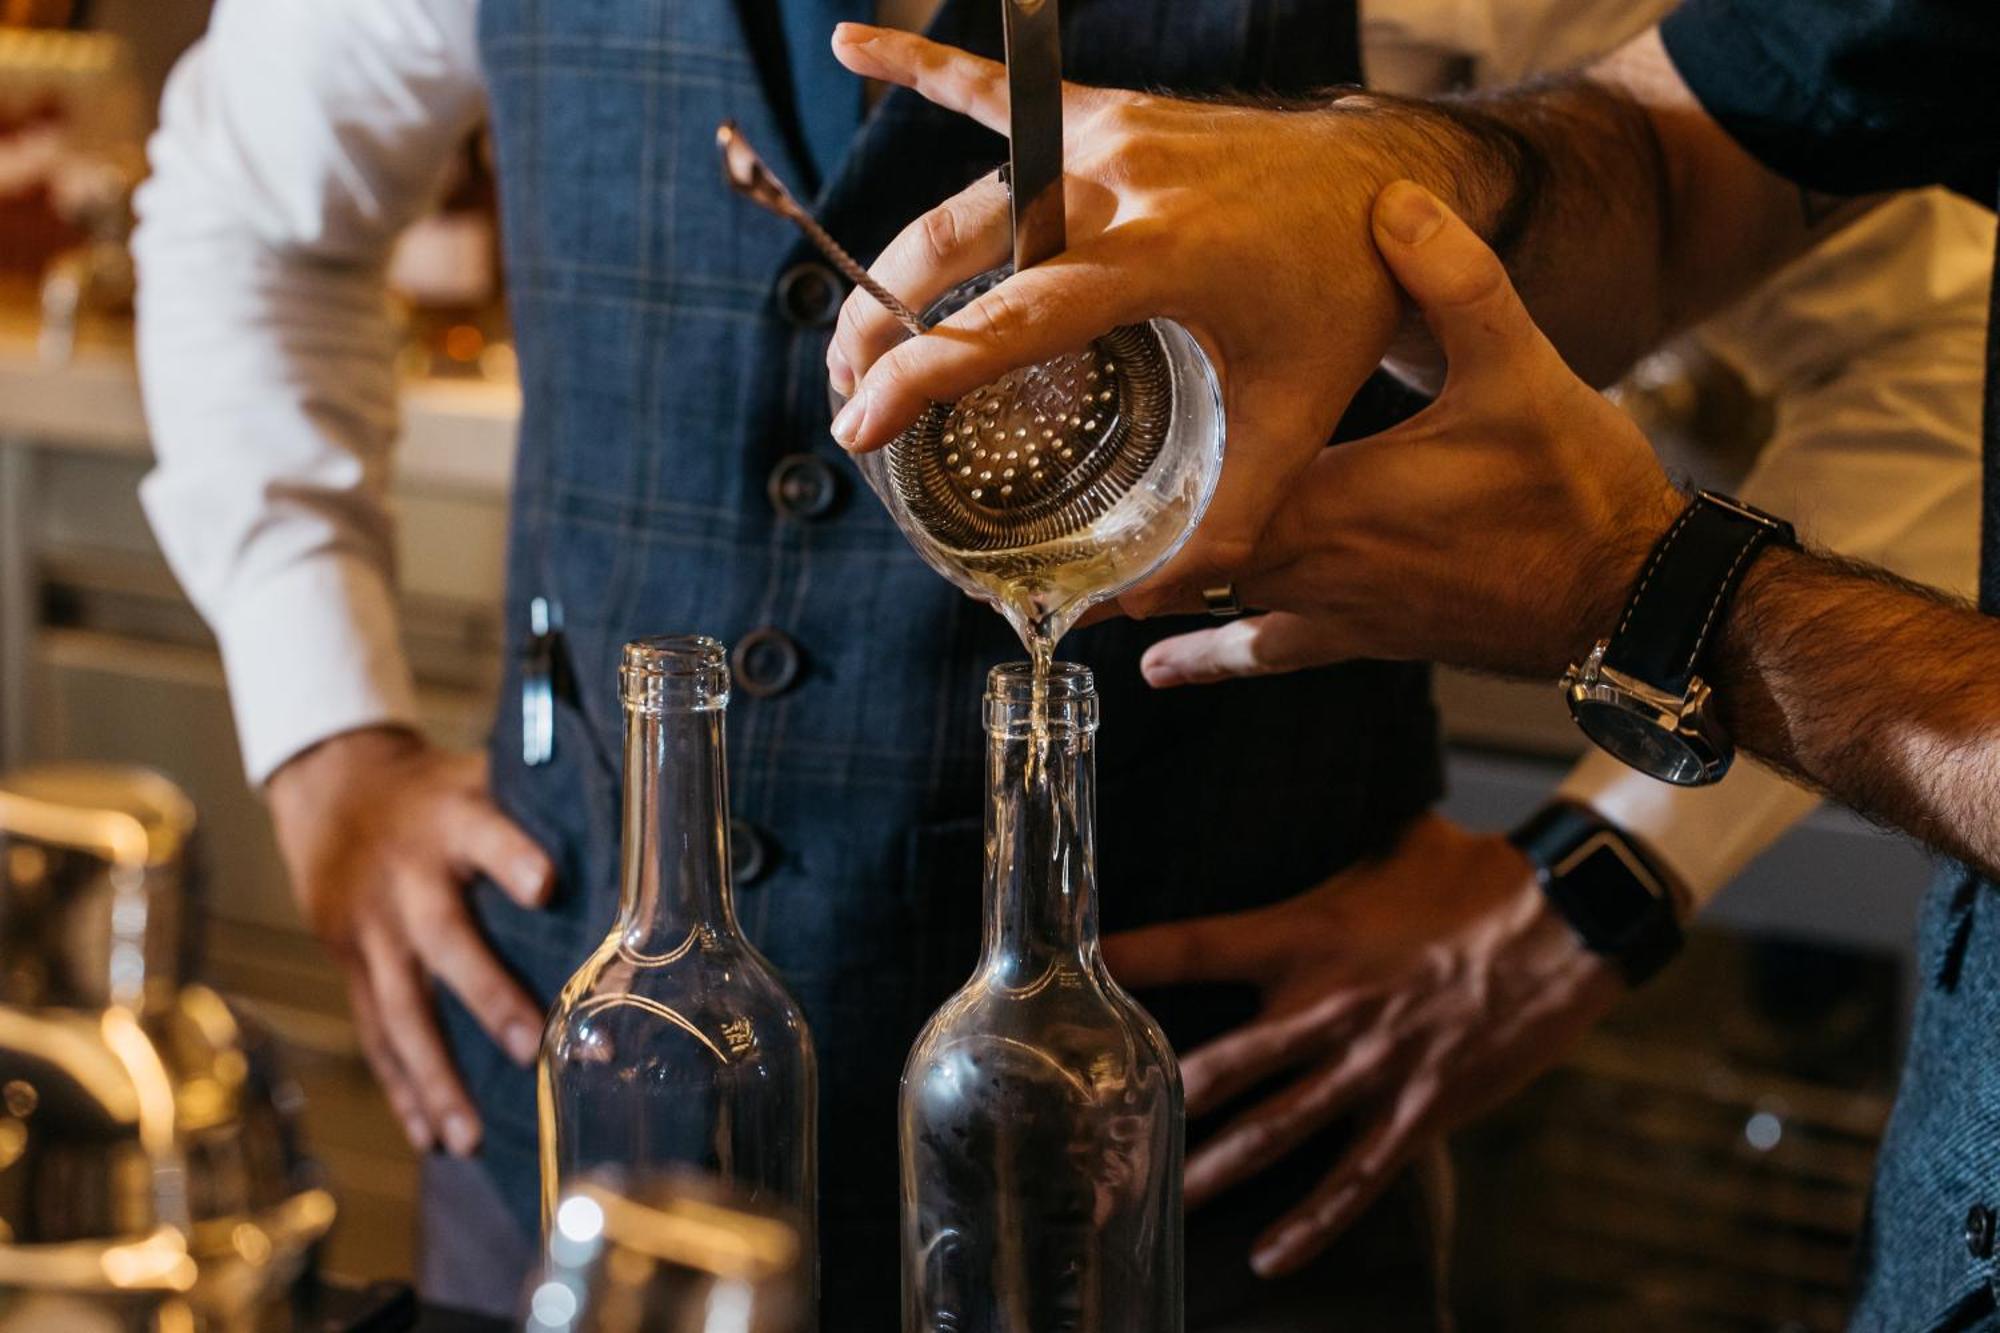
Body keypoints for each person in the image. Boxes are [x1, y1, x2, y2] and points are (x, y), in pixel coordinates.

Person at [134, 0, 1503, 1325]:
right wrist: (325, 729)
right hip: (575, 1146)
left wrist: (1612, 869)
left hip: (1210, 1170)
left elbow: (1699, 183)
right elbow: (244, 218)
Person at [823, 9, 2000, 1325]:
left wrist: (1611, 844)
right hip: (655, 1140)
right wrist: (1389, 167)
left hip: (1241, 1147)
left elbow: (1919, 330)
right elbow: (1715, 133)